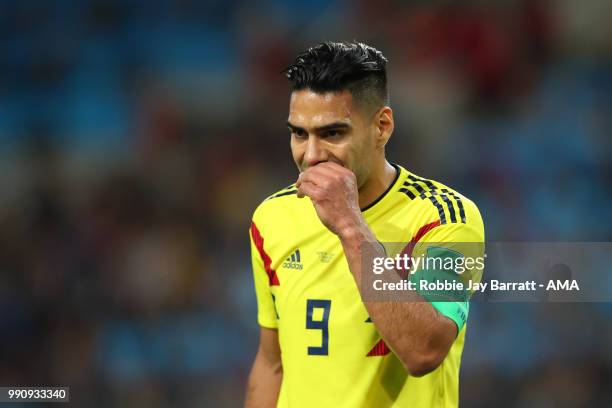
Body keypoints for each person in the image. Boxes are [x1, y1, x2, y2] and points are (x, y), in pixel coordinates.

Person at [245, 41, 484, 407]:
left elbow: (424, 351)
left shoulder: (446, 218)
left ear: (382, 127)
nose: (310, 156)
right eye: (299, 133)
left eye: (333, 133)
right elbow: (271, 362)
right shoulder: (271, 218)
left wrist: (350, 225)